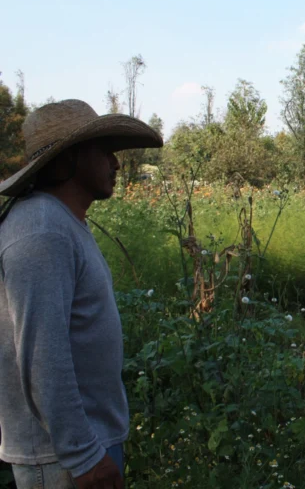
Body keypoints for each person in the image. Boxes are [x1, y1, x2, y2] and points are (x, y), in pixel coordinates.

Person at [0, 99, 163, 489]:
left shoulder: (59, 222)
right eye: (104, 152)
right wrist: (84, 456)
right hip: (64, 460)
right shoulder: (42, 231)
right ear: (70, 158)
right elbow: (42, 355)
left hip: (81, 447)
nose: (116, 164)